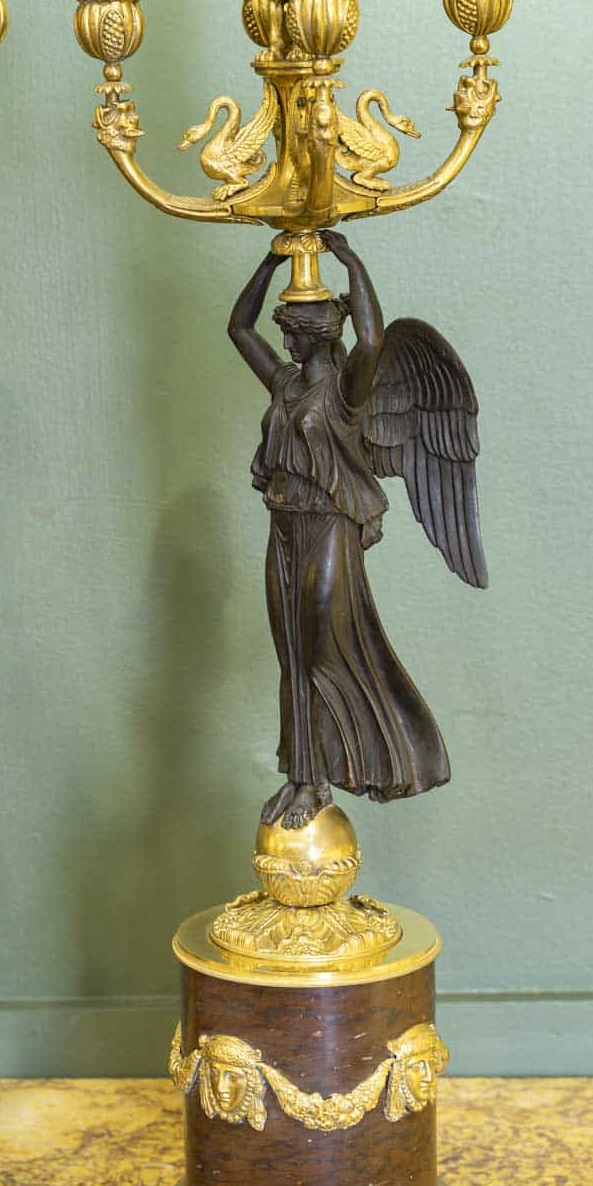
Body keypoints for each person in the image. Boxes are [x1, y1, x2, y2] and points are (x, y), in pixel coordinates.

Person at [228, 230, 451, 830]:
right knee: (293, 654)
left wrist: (351, 261)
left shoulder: (346, 391)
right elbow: (239, 329)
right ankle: (302, 777)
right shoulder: (285, 383)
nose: (284, 341)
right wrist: (272, 259)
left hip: (329, 527)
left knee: (325, 648)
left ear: (318, 335)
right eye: (284, 332)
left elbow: (372, 339)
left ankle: (329, 772)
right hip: (283, 526)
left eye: (293, 332)